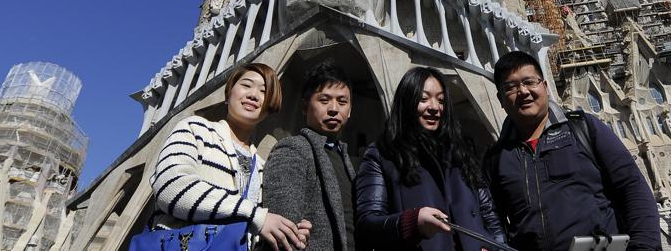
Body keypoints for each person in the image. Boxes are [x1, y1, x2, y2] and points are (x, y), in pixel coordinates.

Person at [484, 51, 660, 251]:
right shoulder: (496, 158)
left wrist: (644, 246)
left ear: (545, 86)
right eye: (511, 87)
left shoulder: (584, 128)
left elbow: (632, 188)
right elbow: (492, 220)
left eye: (530, 82)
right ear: (500, 98)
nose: (523, 91)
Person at [149, 63, 308, 251]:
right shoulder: (195, 129)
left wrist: (288, 230)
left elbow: (258, 231)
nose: (253, 95)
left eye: (264, 91)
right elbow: (171, 188)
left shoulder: (264, 168)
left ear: (269, 107)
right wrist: (256, 216)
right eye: (246, 85)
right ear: (228, 94)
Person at [354, 66, 505, 251]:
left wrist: (493, 246)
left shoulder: (461, 152)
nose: (434, 107)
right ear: (406, 101)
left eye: (441, 100)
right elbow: (367, 223)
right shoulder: (382, 154)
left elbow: (488, 213)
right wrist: (412, 222)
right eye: (423, 99)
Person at [263, 61, 358, 251]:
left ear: (349, 111)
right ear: (305, 107)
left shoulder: (346, 158)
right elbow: (283, 231)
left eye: (342, 101)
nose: (334, 108)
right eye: (324, 100)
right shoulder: (293, 149)